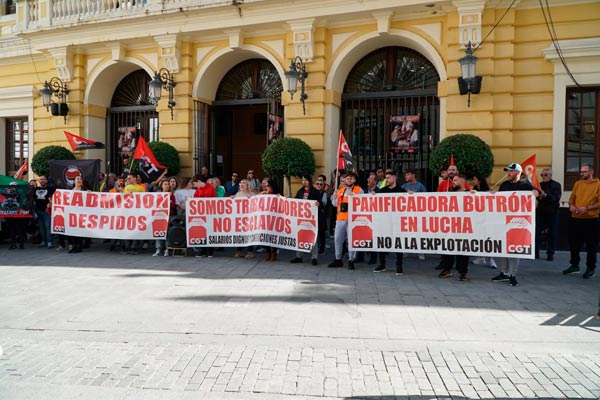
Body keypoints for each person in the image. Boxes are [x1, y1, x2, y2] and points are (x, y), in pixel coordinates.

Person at [491, 163, 539, 286]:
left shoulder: (526, 185)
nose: (508, 173)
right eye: (508, 171)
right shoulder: (504, 185)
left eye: (511, 171)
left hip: (517, 221)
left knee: (514, 249)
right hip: (503, 220)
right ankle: (503, 273)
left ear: (518, 173)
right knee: (503, 247)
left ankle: (512, 274)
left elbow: (535, 203)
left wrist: (535, 196)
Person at [563, 164, 600, 279]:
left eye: (584, 172)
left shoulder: (598, 184)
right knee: (574, 244)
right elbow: (571, 199)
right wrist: (571, 206)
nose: (582, 174)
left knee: (591, 245)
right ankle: (574, 265)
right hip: (575, 219)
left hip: (591, 220)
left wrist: (587, 208)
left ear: (591, 172)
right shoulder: (577, 184)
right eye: (581, 172)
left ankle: (591, 268)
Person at [328, 172, 364, 270]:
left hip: (352, 219)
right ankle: (338, 259)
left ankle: (351, 260)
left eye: (351, 178)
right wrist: (334, 196)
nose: (349, 180)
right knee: (338, 239)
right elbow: (335, 204)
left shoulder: (358, 190)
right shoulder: (341, 191)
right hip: (340, 218)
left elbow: (364, 202)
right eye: (347, 178)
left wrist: (356, 197)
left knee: (351, 240)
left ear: (354, 180)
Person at [438, 174, 471, 280]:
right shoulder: (449, 194)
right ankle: (447, 269)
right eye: (453, 180)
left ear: (462, 182)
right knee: (448, 248)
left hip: (464, 227)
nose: (453, 182)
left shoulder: (469, 194)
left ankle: (463, 272)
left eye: (456, 180)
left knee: (463, 250)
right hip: (450, 226)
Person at [373, 171, 405, 275]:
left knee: (398, 244)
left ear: (395, 178)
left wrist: (411, 195)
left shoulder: (401, 191)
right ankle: (382, 264)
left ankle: (399, 266)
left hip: (397, 221)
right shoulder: (382, 191)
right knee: (382, 242)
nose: (387, 179)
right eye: (386, 178)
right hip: (385, 221)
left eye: (389, 178)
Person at [290, 174, 321, 265]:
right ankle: (298, 256)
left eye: (306, 180)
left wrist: (318, 204)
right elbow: (295, 202)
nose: (304, 182)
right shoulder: (300, 191)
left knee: (313, 237)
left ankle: (314, 257)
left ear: (309, 181)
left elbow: (321, 204)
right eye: (302, 180)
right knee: (300, 236)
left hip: (312, 219)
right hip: (301, 218)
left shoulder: (315, 191)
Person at [470, 174, 497, 269]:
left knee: (488, 238)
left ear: (479, 181)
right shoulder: (474, 191)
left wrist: (493, 194)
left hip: (487, 219)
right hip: (477, 219)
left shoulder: (488, 191)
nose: (473, 181)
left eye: (474, 179)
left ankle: (491, 259)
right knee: (479, 238)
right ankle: (481, 257)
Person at [535, 168, 562, 261]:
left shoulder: (556, 185)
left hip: (552, 212)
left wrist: (545, 195)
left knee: (552, 233)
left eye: (545, 174)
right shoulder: (539, 185)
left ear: (550, 175)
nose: (543, 177)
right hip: (541, 212)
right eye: (542, 175)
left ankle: (550, 253)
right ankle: (535, 252)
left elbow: (555, 198)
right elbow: (537, 197)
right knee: (536, 232)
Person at [193, 175, 217, 258]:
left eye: (195, 184)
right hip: (201, 216)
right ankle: (202, 251)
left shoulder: (210, 188)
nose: (195, 186)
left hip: (209, 215)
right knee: (201, 232)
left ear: (199, 181)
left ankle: (210, 251)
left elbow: (215, 200)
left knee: (209, 232)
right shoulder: (197, 191)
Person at [153, 179, 175, 257]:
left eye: (168, 184)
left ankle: (167, 249)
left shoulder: (171, 194)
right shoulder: (158, 195)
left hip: (168, 216)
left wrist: (169, 201)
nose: (167, 186)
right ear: (161, 186)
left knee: (167, 233)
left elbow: (173, 206)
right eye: (165, 184)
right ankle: (159, 249)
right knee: (158, 233)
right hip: (159, 216)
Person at [233, 179, 255, 259]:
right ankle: (238, 251)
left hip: (249, 218)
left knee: (249, 234)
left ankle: (250, 252)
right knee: (239, 235)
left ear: (247, 185)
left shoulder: (252, 194)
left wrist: (252, 198)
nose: (241, 184)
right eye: (240, 183)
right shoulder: (238, 194)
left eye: (243, 183)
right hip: (240, 218)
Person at [260, 178, 280, 261]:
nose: (266, 187)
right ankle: (268, 252)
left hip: (274, 219)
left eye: (268, 186)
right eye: (265, 185)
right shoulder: (263, 194)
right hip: (265, 219)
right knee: (264, 236)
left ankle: (274, 253)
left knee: (274, 236)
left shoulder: (277, 194)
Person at [33, 175, 55, 249]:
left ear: (46, 180)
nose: (42, 180)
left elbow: (56, 195)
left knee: (48, 227)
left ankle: (49, 242)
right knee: (41, 228)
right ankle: (43, 241)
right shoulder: (36, 189)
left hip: (47, 211)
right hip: (38, 211)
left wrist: (51, 202)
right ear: (39, 181)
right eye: (40, 179)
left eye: (43, 179)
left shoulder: (50, 189)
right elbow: (32, 199)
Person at [68, 176, 86, 254]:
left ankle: (79, 246)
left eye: (80, 179)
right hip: (73, 213)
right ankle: (74, 245)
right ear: (74, 181)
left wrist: (90, 193)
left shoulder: (85, 190)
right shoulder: (71, 191)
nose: (79, 180)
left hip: (81, 214)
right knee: (73, 231)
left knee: (79, 231)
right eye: (77, 179)